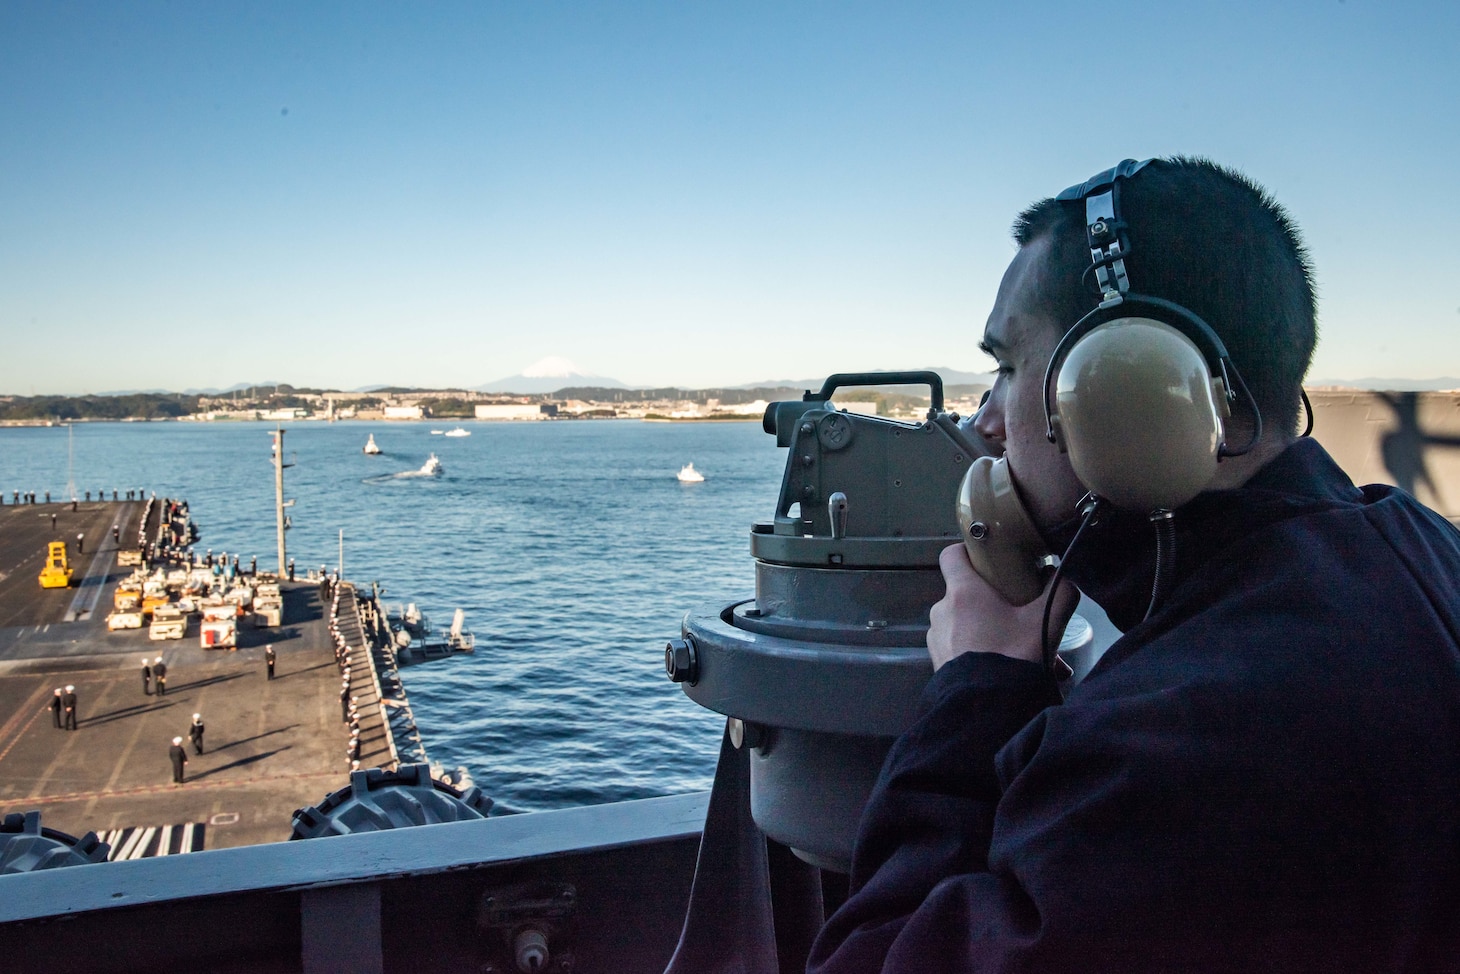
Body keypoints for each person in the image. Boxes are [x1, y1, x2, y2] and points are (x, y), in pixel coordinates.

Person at [809, 158, 1460, 971]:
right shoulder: (1419, 552)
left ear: (1131, 381)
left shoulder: (1188, 742)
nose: (985, 424)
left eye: (1008, 368)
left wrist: (974, 694)